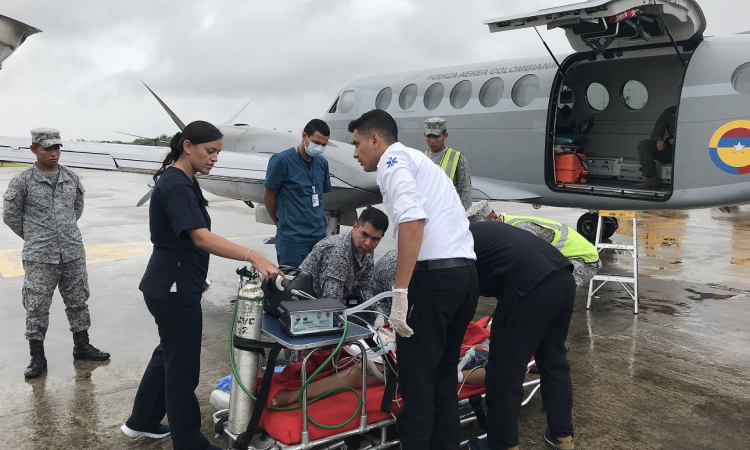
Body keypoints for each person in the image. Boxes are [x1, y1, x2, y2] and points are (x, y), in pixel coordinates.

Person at [121, 121, 281, 450]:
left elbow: (181, 241)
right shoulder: (177, 184)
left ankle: (143, 420)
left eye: (218, 152)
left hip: (173, 281)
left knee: (169, 353)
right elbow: (200, 237)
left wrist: (198, 276)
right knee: (182, 371)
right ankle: (189, 441)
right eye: (210, 151)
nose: (215, 158)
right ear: (188, 146)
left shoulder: (183, 179)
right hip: (173, 287)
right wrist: (253, 255)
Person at [350, 109, 478, 450]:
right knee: (441, 379)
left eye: (357, 143)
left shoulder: (392, 161)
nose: (354, 152)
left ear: (375, 140)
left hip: (435, 280)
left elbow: (412, 219)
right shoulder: (421, 163)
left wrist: (400, 291)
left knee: (416, 381)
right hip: (464, 276)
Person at [2, 128, 109, 379]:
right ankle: (37, 357)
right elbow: (10, 215)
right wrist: (35, 236)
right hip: (40, 256)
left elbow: (77, 209)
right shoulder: (23, 180)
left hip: (72, 252)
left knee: (78, 300)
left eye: (57, 148)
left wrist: (64, 232)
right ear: (33, 149)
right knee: (36, 306)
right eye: (47, 148)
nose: (53, 153)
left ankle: (82, 346)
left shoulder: (71, 178)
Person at [466, 220, 576, 450]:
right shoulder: (478, 230)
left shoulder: (455, 243)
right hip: (563, 277)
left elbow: (461, 298)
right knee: (553, 359)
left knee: (504, 370)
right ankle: (562, 437)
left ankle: (501, 444)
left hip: (529, 286)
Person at [466, 201, 601, 288]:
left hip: (583, 260)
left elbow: (531, 265)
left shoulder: (522, 229)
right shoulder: (506, 226)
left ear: (495, 217)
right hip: (563, 257)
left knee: (552, 292)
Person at [263, 119, 333, 266]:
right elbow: (268, 197)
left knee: (316, 285)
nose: (319, 148)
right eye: (316, 142)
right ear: (304, 136)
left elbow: (320, 197)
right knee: (293, 284)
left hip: (318, 236)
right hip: (292, 239)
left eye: (324, 145)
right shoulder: (282, 161)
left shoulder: (322, 164)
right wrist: (281, 223)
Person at [299, 206, 389, 310]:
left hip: (334, 304)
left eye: (375, 239)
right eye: (364, 234)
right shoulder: (337, 251)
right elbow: (332, 303)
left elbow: (365, 288)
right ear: (354, 227)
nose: (368, 243)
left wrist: (377, 314)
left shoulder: (365, 249)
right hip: (307, 307)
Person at [424, 117, 472, 210]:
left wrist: (465, 216)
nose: (432, 140)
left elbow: (465, 191)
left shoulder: (457, 158)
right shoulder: (421, 158)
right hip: (428, 214)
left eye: (437, 136)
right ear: (424, 135)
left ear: (445, 136)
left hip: (449, 214)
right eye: (429, 136)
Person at [636, 105, 677, 189]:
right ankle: (652, 179)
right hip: (670, 150)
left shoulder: (695, 111)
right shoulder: (670, 111)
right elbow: (657, 131)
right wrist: (659, 140)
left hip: (687, 151)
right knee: (644, 145)